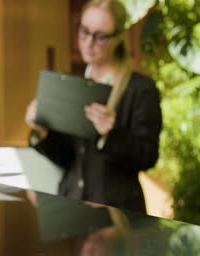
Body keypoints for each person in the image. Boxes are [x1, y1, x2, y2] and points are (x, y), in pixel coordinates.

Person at [25, 0, 162, 213]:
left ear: (118, 37)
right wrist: (42, 132)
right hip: (71, 211)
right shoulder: (73, 86)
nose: (88, 43)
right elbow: (67, 158)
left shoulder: (140, 89)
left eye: (100, 37)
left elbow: (148, 157)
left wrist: (111, 133)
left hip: (118, 215)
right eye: (84, 31)